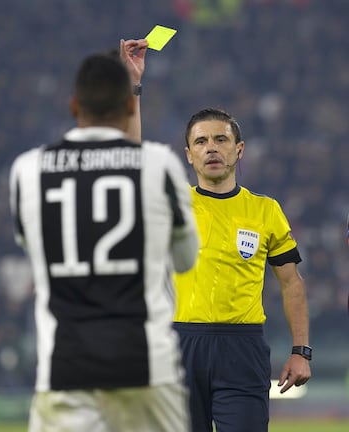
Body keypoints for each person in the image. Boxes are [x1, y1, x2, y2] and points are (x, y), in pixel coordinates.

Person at [9, 41, 198, 432]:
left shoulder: (27, 171)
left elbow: (34, 249)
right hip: (146, 366)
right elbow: (185, 260)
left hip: (65, 367)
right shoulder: (159, 166)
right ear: (129, 107)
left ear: (73, 107)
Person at [124, 38, 312, 432]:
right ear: (188, 155)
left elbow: (291, 283)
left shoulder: (265, 210)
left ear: (239, 150)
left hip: (241, 348)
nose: (212, 148)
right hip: (177, 346)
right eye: (201, 141)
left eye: (221, 139)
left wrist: (301, 350)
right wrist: (133, 86)